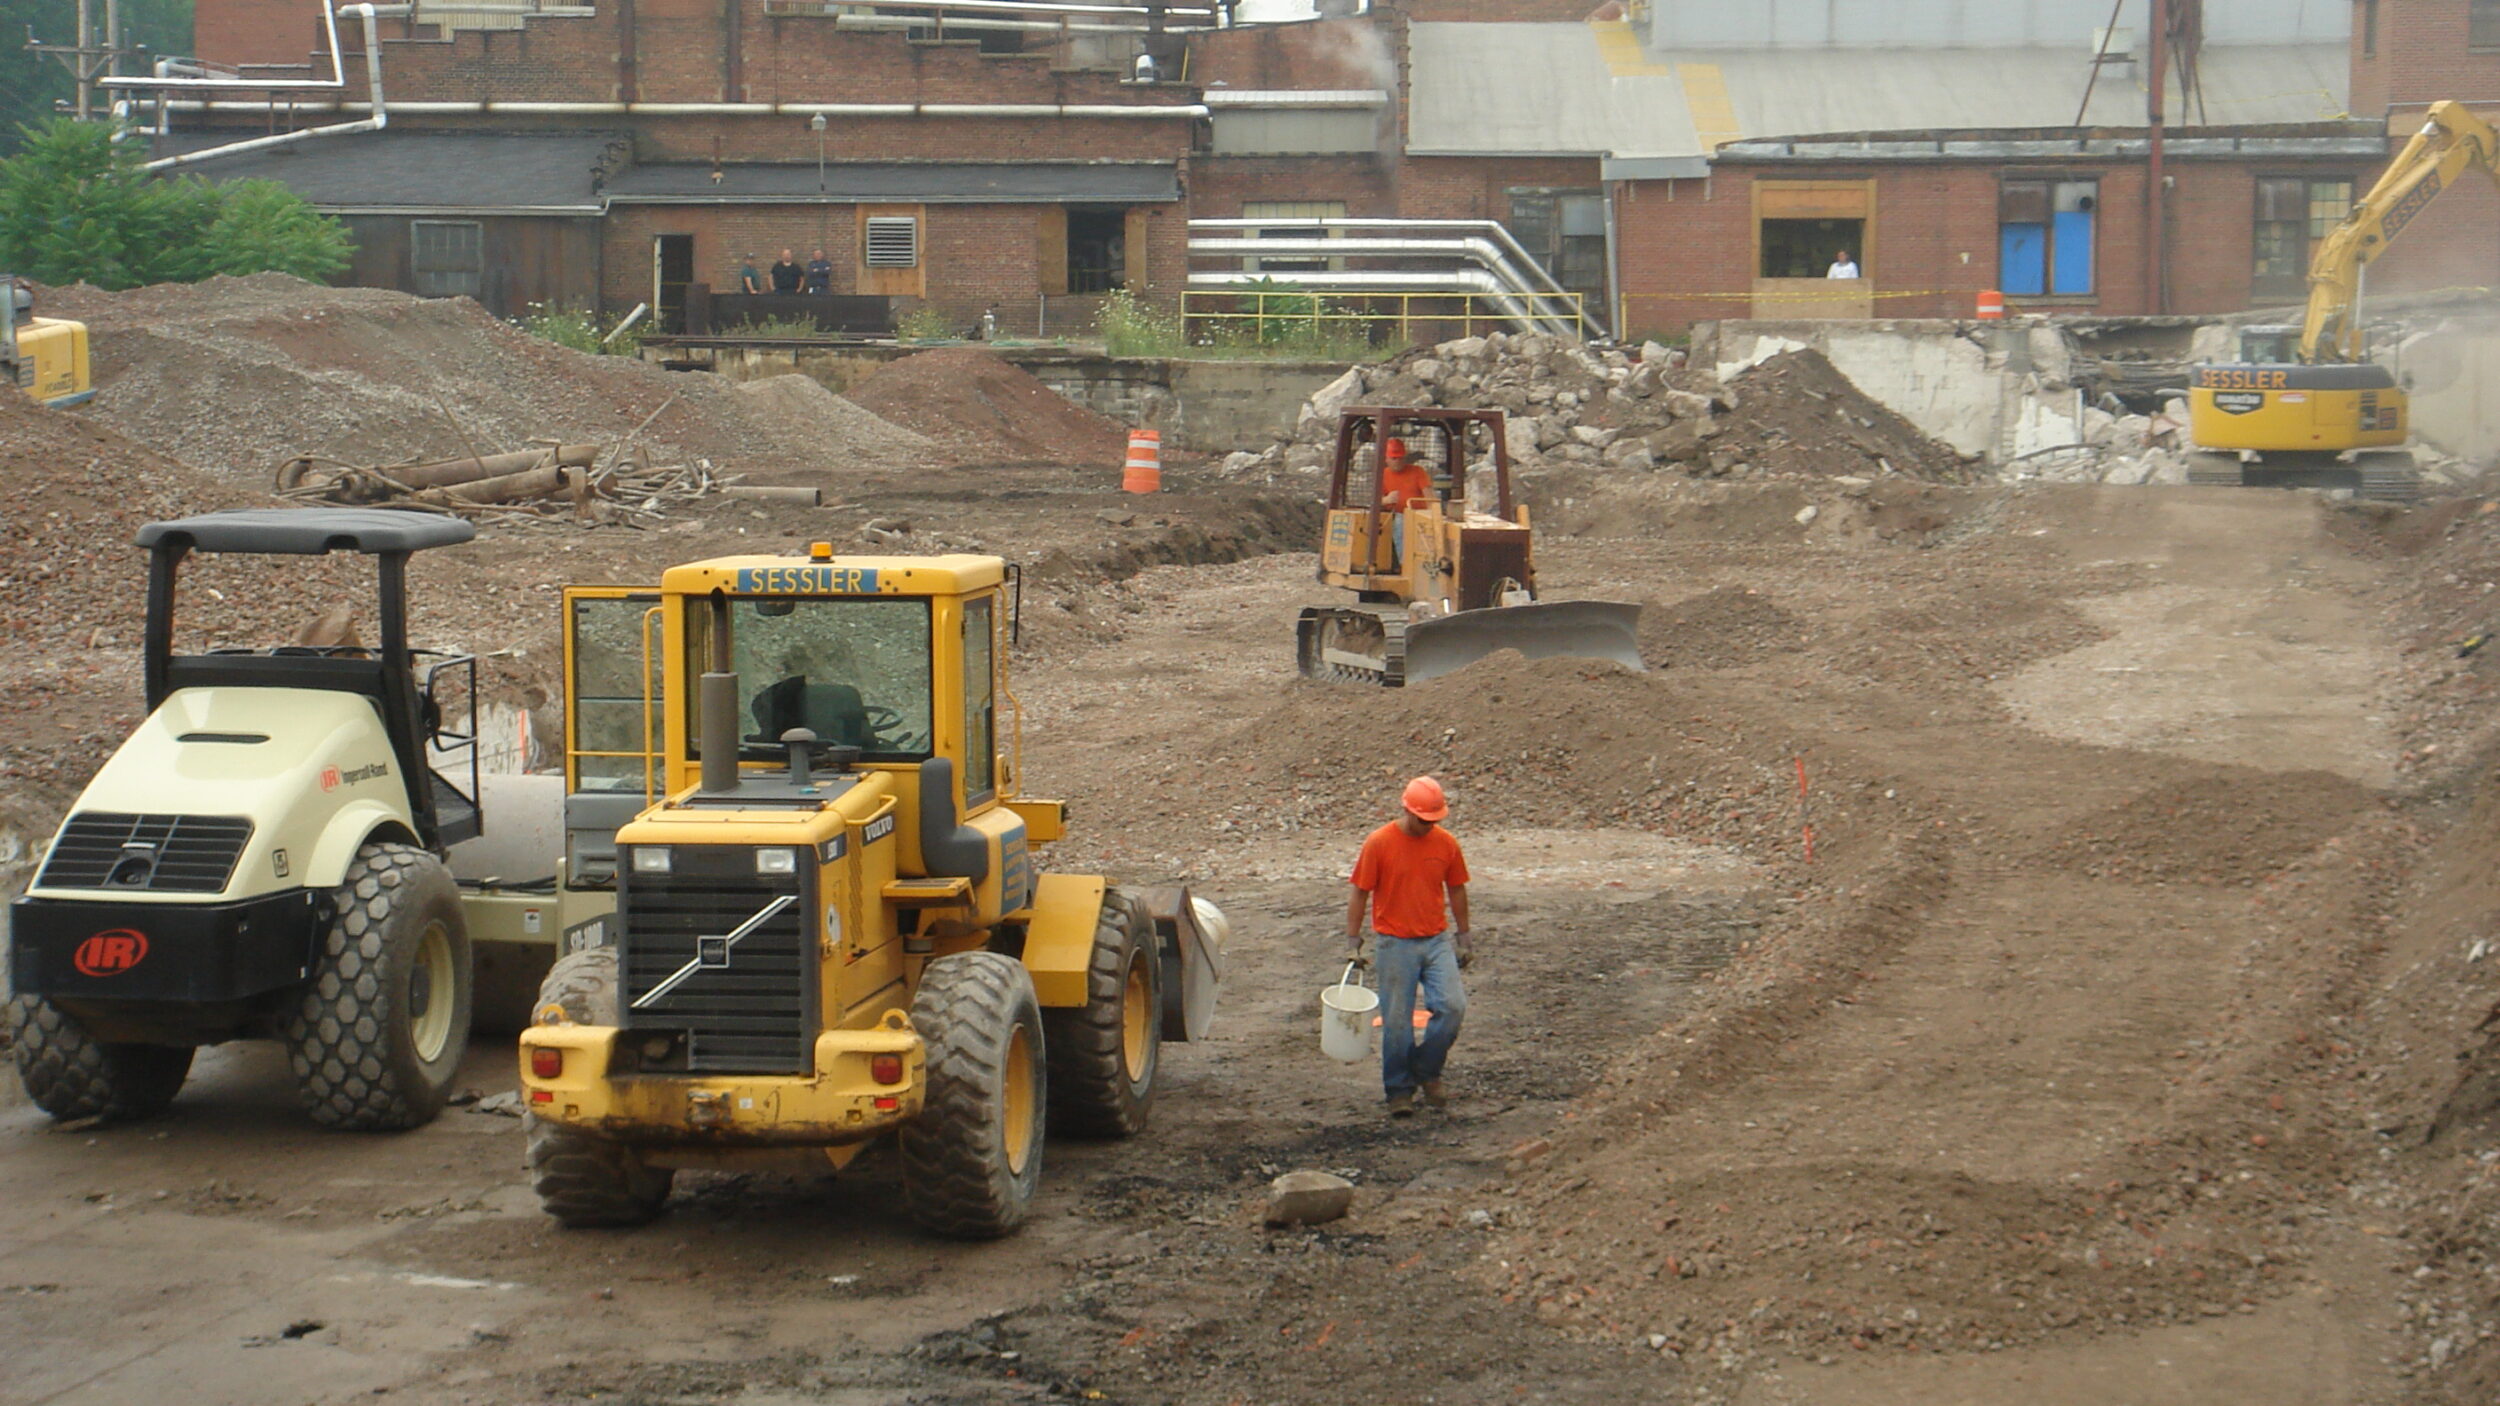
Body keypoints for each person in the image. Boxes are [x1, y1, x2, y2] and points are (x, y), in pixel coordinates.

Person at [1346, 776, 1471, 1118]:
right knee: (1397, 1021)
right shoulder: (1380, 843)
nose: (1429, 827)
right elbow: (1360, 890)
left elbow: (1457, 888)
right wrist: (1352, 939)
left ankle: (1427, 1070)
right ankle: (1399, 1090)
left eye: (1435, 821)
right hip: (1394, 943)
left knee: (1453, 1007)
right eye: (1423, 820)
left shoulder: (1446, 844)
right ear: (1406, 810)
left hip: (1435, 940)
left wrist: (1464, 935)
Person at [1377, 437, 1431, 568]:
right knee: (1401, 523)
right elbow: (1375, 501)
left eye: (1400, 458)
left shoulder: (1417, 471)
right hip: (1399, 515)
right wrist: (1387, 500)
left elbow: (1429, 496)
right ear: (1386, 459)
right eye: (1394, 458)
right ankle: (1404, 564)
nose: (1397, 462)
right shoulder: (1383, 475)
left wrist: (1432, 514)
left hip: (1420, 515)